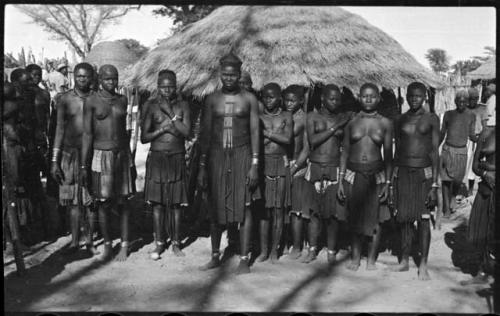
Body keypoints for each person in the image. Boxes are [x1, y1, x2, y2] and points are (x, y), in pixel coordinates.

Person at [197, 53, 260, 274]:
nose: (229, 78)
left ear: (239, 74)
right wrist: (203, 166)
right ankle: (215, 255)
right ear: (220, 74)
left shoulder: (249, 99)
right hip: (216, 157)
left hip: (242, 155)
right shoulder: (211, 99)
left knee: (246, 207)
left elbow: (254, 132)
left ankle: (244, 258)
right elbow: (205, 135)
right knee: (215, 208)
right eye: (225, 74)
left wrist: (254, 164)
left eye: (233, 74)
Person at [81, 64, 136, 261]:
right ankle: (106, 245)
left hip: (121, 155)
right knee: (103, 203)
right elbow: (87, 134)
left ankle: (124, 244)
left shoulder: (123, 100)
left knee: (123, 202)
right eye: (107, 79)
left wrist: (130, 161)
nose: (112, 82)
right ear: (100, 79)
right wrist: (83, 165)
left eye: (115, 78)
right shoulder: (92, 101)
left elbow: (127, 132)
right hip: (100, 155)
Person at [337, 83, 393, 271]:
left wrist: (387, 182)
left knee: (376, 219)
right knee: (354, 218)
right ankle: (355, 258)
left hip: (376, 174)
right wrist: (340, 180)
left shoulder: (385, 123)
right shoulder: (352, 122)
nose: (368, 99)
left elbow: (388, 155)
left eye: (372, 96)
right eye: (364, 96)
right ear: (358, 98)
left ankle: (371, 259)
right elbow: (344, 152)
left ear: (378, 98)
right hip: (353, 173)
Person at [390, 82, 440, 280]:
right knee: (404, 219)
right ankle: (403, 260)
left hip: (423, 173)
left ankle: (423, 264)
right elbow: (398, 150)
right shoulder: (399, 120)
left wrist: (435, 184)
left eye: (418, 96)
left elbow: (435, 152)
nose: (414, 99)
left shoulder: (432, 119)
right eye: (411, 96)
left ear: (424, 97)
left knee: (424, 219)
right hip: (402, 171)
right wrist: (393, 178)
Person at [141, 70, 191, 260]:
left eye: (170, 86)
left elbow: (186, 132)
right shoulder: (151, 107)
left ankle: (176, 242)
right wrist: (163, 129)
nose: (167, 89)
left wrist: (171, 115)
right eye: (163, 86)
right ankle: (160, 242)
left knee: (176, 204)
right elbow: (144, 137)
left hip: (177, 157)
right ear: (158, 87)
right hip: (158, 158)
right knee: (158, 205)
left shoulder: (183, 106)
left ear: (176, 86)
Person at [50, 63, 98, 255]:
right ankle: (75, 240)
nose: (82, 80)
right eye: (79, 76)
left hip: (92, 153)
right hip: (69, 154)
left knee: (91, 199)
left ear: (92, 77)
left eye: (86, 76)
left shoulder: (97, 99)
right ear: (73, 77)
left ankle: (90, 240)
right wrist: (55, 160)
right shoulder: (65, 99)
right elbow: (59, 130)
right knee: (73, 201)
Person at [306, 84, 351, 264]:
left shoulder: (343, 119)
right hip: (316, 166)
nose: (335, 102)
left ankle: (331, 251)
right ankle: (312, 249)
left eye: (338, 99)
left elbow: (345, 150)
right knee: (314, 213)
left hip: (334, 167)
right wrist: (334, 128)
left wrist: (341, 179)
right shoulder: (312, 117)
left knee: (333, 215)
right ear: (323, 99)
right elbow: (313, 141)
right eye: (331, 99)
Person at [256, 83, 293, 263]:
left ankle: (274, 250)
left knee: (278, 209)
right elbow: (255, 142)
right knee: (264, 210)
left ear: (279, 98)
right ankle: (263, 250)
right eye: (265, 97)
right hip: (264, 164)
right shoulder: (259, 117)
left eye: (272, 97)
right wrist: (272, 134)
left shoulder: (287, 116)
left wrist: (267, 134)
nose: (268, 100)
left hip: (281, 164)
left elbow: (287, 139)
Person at [461, 119, 495, 285]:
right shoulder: (487, 133)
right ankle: (483, 270)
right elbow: (475, 166)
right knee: (483, 231)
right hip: (487, 188)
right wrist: (485, 173)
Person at [284, 85, 312, 260]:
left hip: (298, 166)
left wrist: (294, 168)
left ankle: (297, 245)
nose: (288, 103)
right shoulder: (282, 115)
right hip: (280, 164)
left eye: (292, 100)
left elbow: (306, 149)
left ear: (301, 101)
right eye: (286, 99)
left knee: (296, 209)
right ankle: (283, 242)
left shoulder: (305, 119)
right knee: (281, 207)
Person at [439, 90, 477, 217]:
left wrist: (481, 139)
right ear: (455, 101)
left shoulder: (471, 115)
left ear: (467, 102)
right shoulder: (448, 114)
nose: (461, 103)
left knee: (457, 180)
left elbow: (471, 135)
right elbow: (442, 133)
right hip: (447, 150)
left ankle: (453, 197)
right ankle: (446, 209)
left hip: (462, 151)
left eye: (464, 101)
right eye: (459, 101)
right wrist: (434, 147)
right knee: (445, 180)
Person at [26, 64, 51, 173]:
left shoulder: (44, 93)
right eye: (33, 75)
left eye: (39, 75)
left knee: (43, 161)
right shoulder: (22, 93)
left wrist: (48, 132)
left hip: (40, 132)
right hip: (27, 132)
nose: (36, 77)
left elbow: (47, 115)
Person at [464, 87, 489, 196]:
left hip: (479, 139)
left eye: (474, 98)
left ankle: (471, 190)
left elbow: (485, 126)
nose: (472, 101)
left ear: (478, 98)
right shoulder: (464, 109)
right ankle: (460, 188)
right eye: (470, 99)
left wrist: (481, 139)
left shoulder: (483, 109)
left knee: (476, 164)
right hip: (467, 139)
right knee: (465, 163)